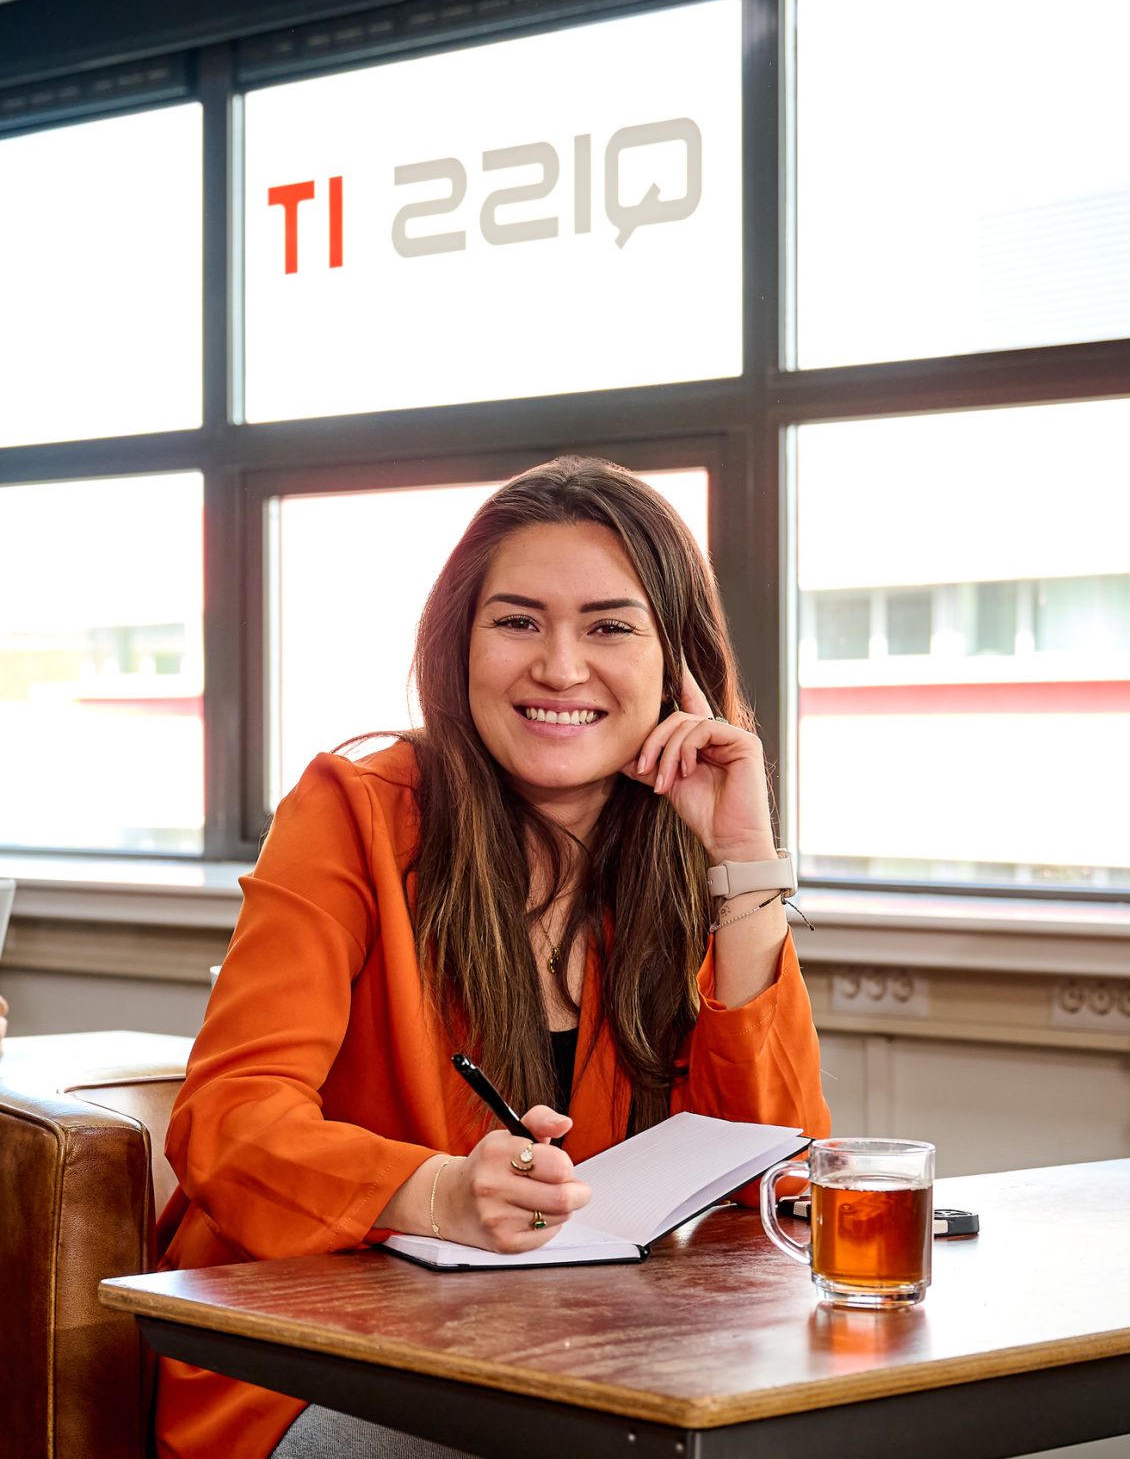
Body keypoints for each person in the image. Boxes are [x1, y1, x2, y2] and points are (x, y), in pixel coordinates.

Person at [154, 456, 831, 1459]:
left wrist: (742, 863)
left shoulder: (682, 850)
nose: (559, 668)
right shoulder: (353, 812)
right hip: (323, 1359)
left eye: (608, 627)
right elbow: (228, 1119)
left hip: (587, 1351)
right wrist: (432, 1193)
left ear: (675, 664)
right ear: (459, 645)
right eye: (517, 621)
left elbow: (778, 1176)